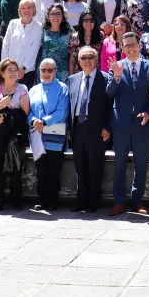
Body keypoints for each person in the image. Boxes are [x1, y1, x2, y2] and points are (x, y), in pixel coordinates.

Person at [105, 32, 149, 216]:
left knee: (141, 163)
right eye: (126, 46)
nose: (130, 48)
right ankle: (119, 202)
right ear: (122, 48)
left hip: (142, 124)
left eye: (133, 44)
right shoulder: (116, 66)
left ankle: (137, 201)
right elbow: (110, 93)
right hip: (121, 124)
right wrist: (117, 77)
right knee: (119, 163)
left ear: (139, 45)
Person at [66, 46, 111, 213]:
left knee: (95, 165)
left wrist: (107, 127)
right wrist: (69, 127)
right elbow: (70, 106)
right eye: (83, 58)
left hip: (97, 128)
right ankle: (81, 200)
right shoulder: (72, 79)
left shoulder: (105, 78)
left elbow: (110, 106)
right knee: (80, 165)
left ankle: (93, 201)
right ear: (78, 61)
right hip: (78, 127)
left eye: (90, 57)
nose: (87, 61)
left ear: (96, 59)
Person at [0, 58, 30, 210]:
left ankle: (16, 200)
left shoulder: (22, 88)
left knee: (16, 166)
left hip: (15, 132)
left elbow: (25, 111)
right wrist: (1, 104)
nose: (13, 73)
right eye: (9, 70)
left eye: (15, 70)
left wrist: (7, 115)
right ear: (2, 72)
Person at [27, 58, 69, 211]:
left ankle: (52, 200)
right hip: (37, 135)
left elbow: (62, 111)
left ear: (55, 71)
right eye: (43, 70)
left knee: (53, 169)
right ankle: (41, 199)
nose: (46, 73)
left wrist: (43, 121)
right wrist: (33, 121)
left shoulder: (62, 88)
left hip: (54, 135)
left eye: (49, 70)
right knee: (41, 170)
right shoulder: (33, 89)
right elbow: (28, 111)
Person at [2, 0, 41, 88]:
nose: (26, 10)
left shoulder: (38, 27)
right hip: (9, 69)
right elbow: (5, 45)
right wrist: (5, 65)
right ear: (19, 10)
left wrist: (23, 68)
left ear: (34, 9)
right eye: (23, 8)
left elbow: (34, 49)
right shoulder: (13, 23)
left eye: (29, 7)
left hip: (26, 71)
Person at [40, 4, 72, 83]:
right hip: (45, 70)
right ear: (48, 16)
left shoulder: (69, 31)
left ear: (62, 16)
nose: (55, 17)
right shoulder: (43, 30)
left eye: (58, 14)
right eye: (52, 14)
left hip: (63, 71)